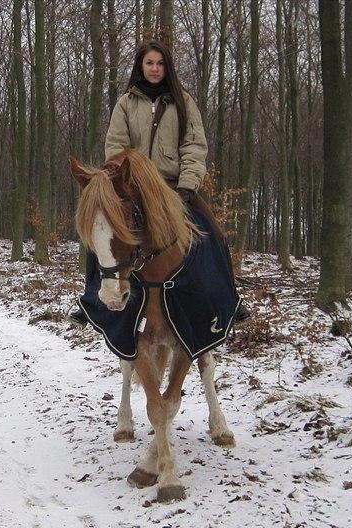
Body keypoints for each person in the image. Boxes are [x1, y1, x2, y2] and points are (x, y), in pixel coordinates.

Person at [70, 39, 249, 326]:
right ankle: (92, 299)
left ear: (168, 67)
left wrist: (188, 186)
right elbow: (116, 146)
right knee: (102, 229)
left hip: (174, 186)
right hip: (133, 188)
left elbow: (194, 145)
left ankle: (229, 298)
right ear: (141, 66)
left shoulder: (183, 101)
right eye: (149, 63)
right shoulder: (126, 103)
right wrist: (121, 180)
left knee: (212, 232)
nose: (155, 68)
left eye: (160, 63)